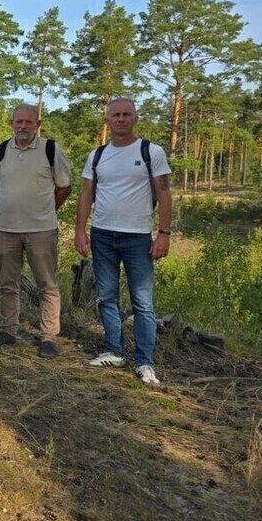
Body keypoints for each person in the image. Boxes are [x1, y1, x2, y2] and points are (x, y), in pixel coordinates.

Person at [75, 98, 172, 386]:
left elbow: (164, 193)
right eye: (115, 114)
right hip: (102, 233)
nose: (120, 119)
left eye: (125, 114)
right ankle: (114, 351)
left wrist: (163, 234)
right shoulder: (97, 155)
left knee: (142, 302)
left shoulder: (150, 152)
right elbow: (86, 194)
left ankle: (144, 362)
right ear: (107, 120)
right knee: (107, 296)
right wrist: (80, 230)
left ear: (135, 118)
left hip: (138, 237)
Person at [0, 104, 72, 358]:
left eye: (28, 122)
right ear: (11, 122)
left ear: (37, 124)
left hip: (41, 229)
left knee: (47, 284)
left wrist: (45, 210)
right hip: (5, 228)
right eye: (18, 121)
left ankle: (48, 337)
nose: (23, 126)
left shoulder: (51, 150)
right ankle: (8, 330)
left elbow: (64, 188)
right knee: (7, 283)